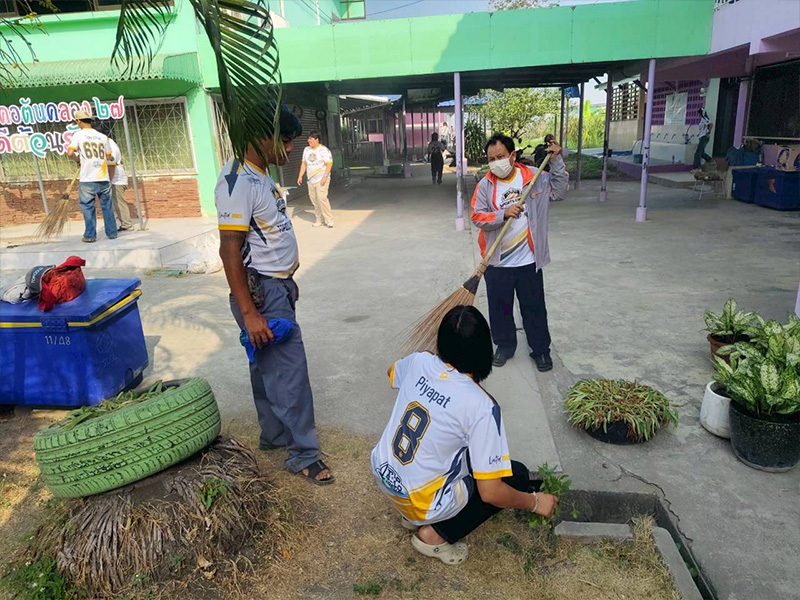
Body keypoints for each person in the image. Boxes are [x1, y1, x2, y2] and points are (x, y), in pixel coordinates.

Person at [371, 306, 558, 565]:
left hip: (384, 474)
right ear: (484, 350)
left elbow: (390, 373)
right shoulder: (481, 406)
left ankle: (410, 515)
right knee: (515, 476)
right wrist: (534, 502)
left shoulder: (418, 361)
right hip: (422, 500)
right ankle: (434, 535)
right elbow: (491, 493)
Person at [216, 105, 334, 485]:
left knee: (265, 365)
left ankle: (274, 434)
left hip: (275, 287)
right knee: (289, 372)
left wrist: (286, 278)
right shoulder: (238, 181)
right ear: (260, 136)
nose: (289, 149)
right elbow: (229, 250)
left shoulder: (260, 174)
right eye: (284, 140)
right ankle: (304, 455)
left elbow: (270, 234)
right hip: (262, 294)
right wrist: (251, 312)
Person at [471, 133, 568, 372]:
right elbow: (477, 217)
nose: (496, 162)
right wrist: (502, 214)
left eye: (501, 156)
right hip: (497, 263)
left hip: (528, 261)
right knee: (500, 309)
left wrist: (557, 159)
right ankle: (504, 346)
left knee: (534, 308)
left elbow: (559, 191)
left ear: (512, 155)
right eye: (491, 159)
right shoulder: (485, 186)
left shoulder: (534, 177)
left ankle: (541, 351)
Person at [66, 110, 117, 243]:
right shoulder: (102, 137)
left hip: (88, 178)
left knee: (88, 207)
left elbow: (70, 153)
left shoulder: (78, 135)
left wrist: (78, 160)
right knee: (107, 206)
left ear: (79, 122)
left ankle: (90, 235)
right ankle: (112, 233)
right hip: (103, 177)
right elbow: (109, 157)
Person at [297, 130, 334, 228]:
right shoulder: (306, 150)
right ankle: (319, 219)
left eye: (311, 139)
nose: (309, 141)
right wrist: (300, 176)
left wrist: (325, 177)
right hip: (311, 179)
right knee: (314, 200)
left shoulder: (324, 150)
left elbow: (329, 164)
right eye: (308, 139)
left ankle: (328, 219)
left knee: (322, 199)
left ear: (317, 139)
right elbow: (304, 164)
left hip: (321, 178)